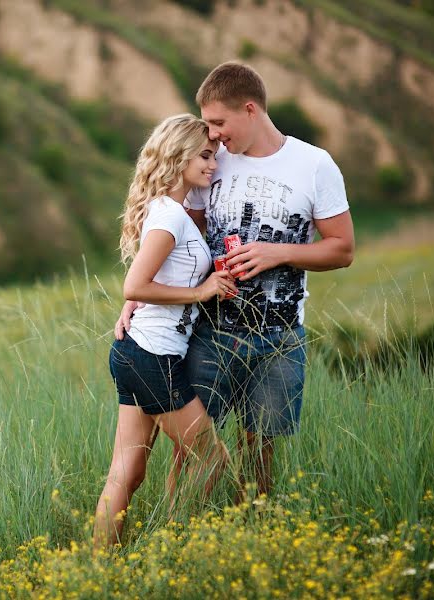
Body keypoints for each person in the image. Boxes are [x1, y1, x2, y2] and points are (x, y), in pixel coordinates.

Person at [116, 62, 355, 502]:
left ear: (250, 110)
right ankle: (181, 533)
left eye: (218, 122)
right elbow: (170, 246)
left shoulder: (314, 165)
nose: (213, 134)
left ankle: (255, 536)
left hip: (279, 339)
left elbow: (341, 248)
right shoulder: (209, 163)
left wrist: (278, 252)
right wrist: (139, 300)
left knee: (259, 454)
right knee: (190, 456)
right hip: (210, 332)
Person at [94, 114, 237, 549]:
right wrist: (204, 291)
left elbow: (147, 283)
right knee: (211, 459)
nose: (213, 165)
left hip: (137, 353)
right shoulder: (168, 217)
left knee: (127, 472)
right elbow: (134, 285)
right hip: (154, 356)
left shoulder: (170, 210)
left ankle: (98, 570)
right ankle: (173, 553)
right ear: (179, 156)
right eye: (206, 155)